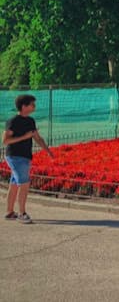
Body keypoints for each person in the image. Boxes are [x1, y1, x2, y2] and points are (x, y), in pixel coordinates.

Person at [4, 94, 53, 224]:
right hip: (14, 156)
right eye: (32, 104)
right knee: (24, 184)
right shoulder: (12, 121)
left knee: (15, 183)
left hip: (25, 157)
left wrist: (47, 150)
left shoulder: (30, 121)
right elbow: (6, 140)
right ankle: (22, 213)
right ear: (24, 106)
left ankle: (9, 212)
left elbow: (37, 137)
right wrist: (24, 137)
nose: (34, 107)